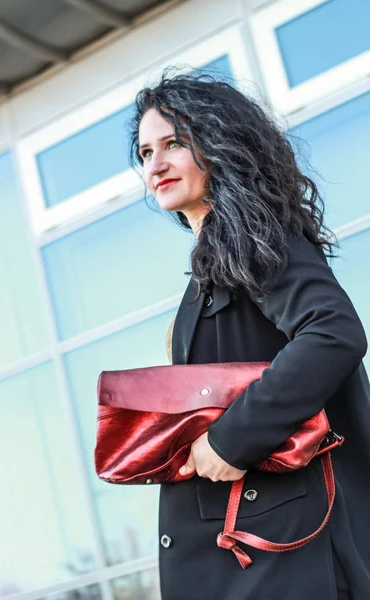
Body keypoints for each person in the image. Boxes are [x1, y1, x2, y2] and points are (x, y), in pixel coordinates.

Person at [129, 69, 370, 600]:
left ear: (219, 145)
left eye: (174, 143)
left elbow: (333, 332)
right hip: (250, 551)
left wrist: (231, 438)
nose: (157, 164)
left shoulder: (255, 238)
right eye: (146, 152)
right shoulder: (215, 262)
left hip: (284, 556)